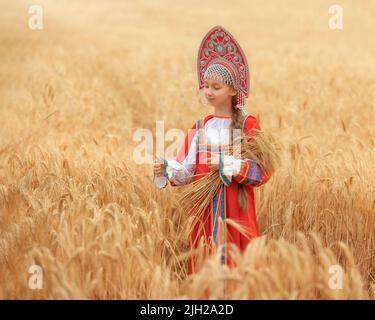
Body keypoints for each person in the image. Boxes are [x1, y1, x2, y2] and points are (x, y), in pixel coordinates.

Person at [153, 25, 272, 276]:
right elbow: (186, 172)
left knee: (238, 271)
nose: (208, 92)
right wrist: (166, 168)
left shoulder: (248, 126)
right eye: (206, 85)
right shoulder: (199, 127)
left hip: (237, 218)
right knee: (206, 271)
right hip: (205, 217)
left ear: (232, 90)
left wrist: (231, 165)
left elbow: (263, 171)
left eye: (215, 87)